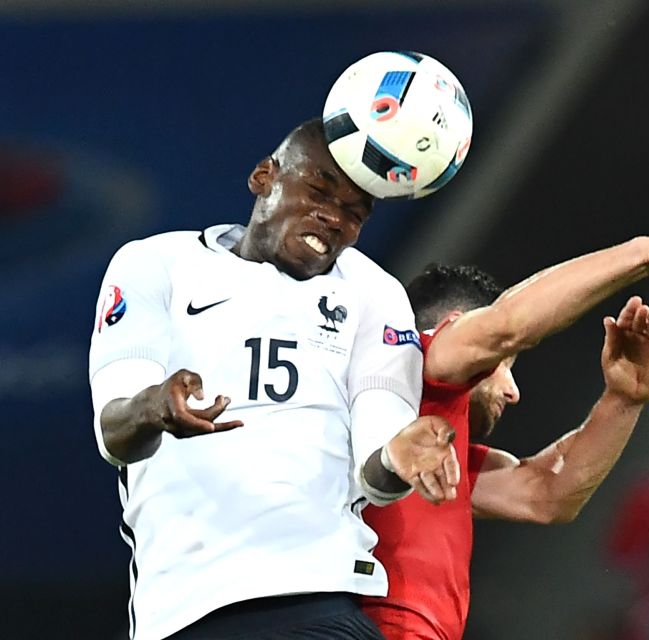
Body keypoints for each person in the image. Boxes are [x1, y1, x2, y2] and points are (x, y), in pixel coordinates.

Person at [88, 118, 460, 640]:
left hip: (317, 599)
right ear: (264, 177)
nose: (331, 217)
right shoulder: (156, 264)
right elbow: (114, 433)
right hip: (184, 608)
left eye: (354, 214)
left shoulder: (376, 294)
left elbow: (377, 472)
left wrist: (401, 456)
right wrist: (153, 408)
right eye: (317, 190)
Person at [360, 231, 649, 640]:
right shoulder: (416, 364)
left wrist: (623, 399)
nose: (513, 391)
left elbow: (547, 493)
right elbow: (508, 326)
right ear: (453, 329)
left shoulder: (435, 451)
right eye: (503, 364)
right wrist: (647, 254)